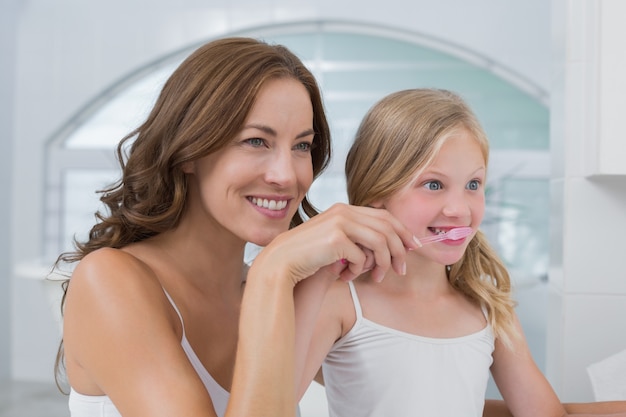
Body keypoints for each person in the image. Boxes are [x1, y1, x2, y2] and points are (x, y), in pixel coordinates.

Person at [53, 36, 420, 417]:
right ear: (189, 152)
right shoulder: (110, 281)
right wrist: (273, 271)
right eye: (256, 141)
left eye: (301, 147)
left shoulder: (280, 291)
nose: (286, 175)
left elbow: (413, 394)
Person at [293, 88, 626, 417]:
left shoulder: (489, 308)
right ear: (379, 190)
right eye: (434, 185)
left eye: (473, 184)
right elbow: (271, 403)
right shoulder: (338, 301)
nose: (459, 210)